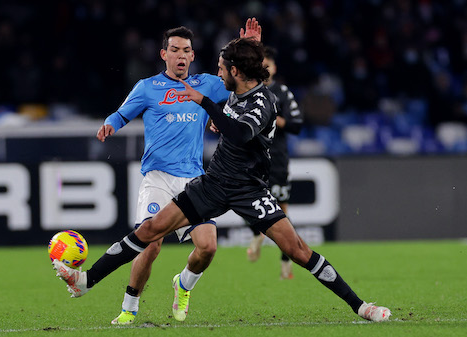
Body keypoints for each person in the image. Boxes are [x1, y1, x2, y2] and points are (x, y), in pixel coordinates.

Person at [53, 37, 391, 323]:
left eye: (220, 68)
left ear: (236, 73)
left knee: (298, 250)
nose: (216, 74)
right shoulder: (236, 91)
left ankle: (361, 306)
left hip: (248, 189)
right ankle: (85, 282)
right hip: (212, 184)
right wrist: (250, 45)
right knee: (149, 231)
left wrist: (207, 106)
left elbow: (241, 134)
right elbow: (230, 106)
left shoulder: (264, 101)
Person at [87, 19, 261, 325]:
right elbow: (121, 113)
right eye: (175, 49)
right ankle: (129, 308)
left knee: (207, 247)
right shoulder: (147, 88)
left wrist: (249, 49)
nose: (181, 55)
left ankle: (183, 285)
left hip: (193, 178)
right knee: (150, 244)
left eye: (187, 50)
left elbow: (243, 85)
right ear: (163, 54)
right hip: (157, 177)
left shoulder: (206, 84)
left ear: (192, 56)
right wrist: (110, 124)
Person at [245, 46, 303, 280]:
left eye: (268, 65)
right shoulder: (248, 91)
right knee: (245, 204)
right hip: (251, 160)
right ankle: (258, 233)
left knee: (282, 213)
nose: (265, 70)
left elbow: (297, 124)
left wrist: (274, 119)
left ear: (275, 68)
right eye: (262, 66)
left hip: (276, 160)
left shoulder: (282, 92)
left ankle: (285, 263)